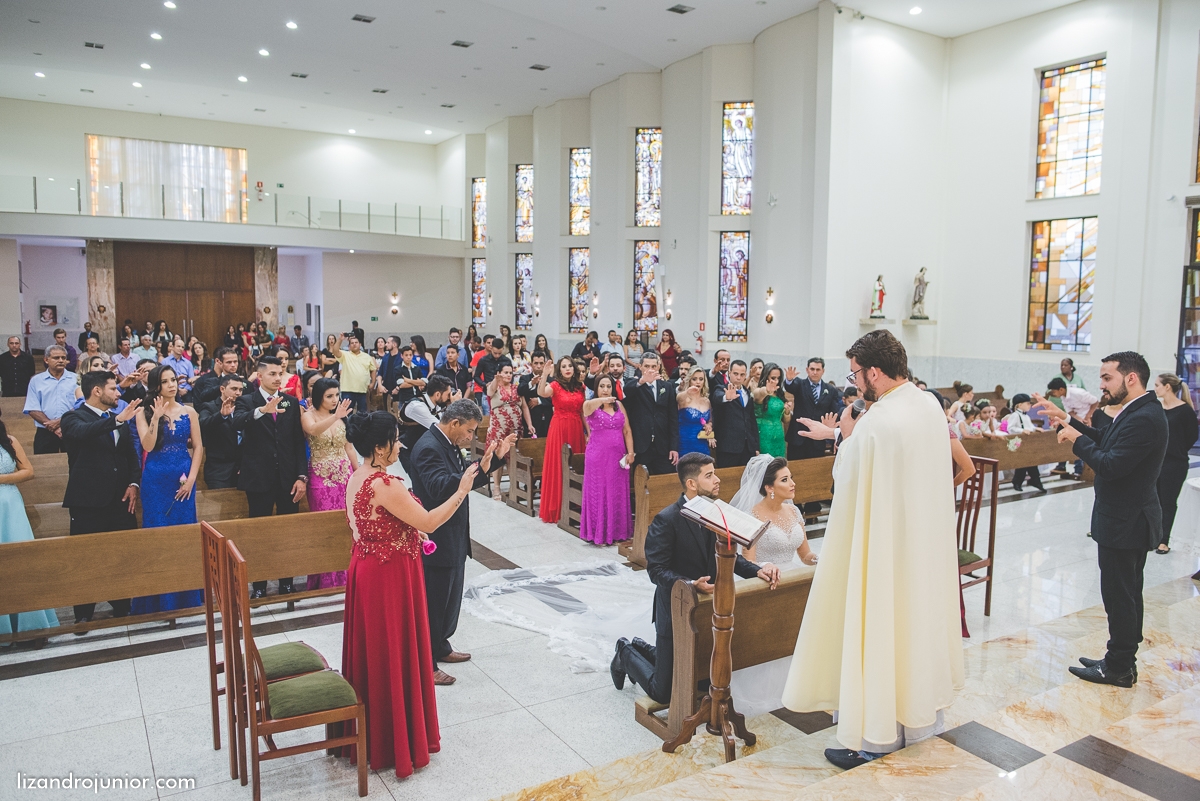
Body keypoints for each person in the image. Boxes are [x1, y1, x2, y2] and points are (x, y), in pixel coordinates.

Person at [783, 329, 963, 770]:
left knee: (880, 626)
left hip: (885, 547)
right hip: (918, 543)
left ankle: (875, 738)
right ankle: (917, 719)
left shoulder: (879, 421)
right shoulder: (926, 404)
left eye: (856, 373)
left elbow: (847, 481)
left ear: (875, 372)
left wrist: (843, 438)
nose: (855, 381)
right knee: (912, 628)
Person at [340, 412, 476, 777]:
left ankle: (374, 731)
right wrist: (461, 490)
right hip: (390, 576)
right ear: (380, 447)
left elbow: (363, 528)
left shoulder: (358, 477)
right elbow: (430, 521)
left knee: (376, 652)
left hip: (367, 568)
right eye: (396, 440)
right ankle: (394, 740)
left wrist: (404, 534)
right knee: (394, 651)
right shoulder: (386, 484)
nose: (400, 445)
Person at [1033, 352, 1168, 688]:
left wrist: (1075, 441)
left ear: (1131, 378)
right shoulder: (1138, 411)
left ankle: (1119, 667)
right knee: (1125, 592)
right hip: (1125, 518)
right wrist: (1069, 421)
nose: (1101, 384)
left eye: (1107, 377)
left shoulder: (1145, 418)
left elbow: (1109, 464)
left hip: (1126, 522)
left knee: (1120, 595)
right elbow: (1109, 442)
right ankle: (1119, 658)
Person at [610, 453, 779, 703]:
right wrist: (690, 585)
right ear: (691, 483)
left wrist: (757, 570)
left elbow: (729, 556)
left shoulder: (716, 513)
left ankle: (646, 648)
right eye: (709, 476)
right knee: (663, 692)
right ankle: (625, 652)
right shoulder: (667, 520)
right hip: (675, 608)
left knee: (700, 678)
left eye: (715, 473)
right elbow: (656, 570)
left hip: (708, 608)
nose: (717, 480)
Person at [409, 400, 513, 685]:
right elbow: (439, 487)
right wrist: (474, 471)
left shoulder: (447, 442)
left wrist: (493, 462)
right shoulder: (429, 447)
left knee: (449, 600)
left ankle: (441, 647)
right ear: (454, 423)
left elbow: (462, 477)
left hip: (453, 532)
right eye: (469, 430)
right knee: (434, 603)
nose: (471, 436)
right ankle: (426, 664)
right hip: (437, 534)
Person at [60, 372, 144, 629]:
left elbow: (130, 454)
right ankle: (84, 612)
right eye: (113, 389)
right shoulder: (72, 417)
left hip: (120, 499)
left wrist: (133, 483)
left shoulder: (115, 418)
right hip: (88, 500)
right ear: (96, 391)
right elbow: (84, 433)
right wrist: (118, 419)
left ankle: (121, 604)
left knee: (122, 554)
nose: (119, 393)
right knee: (86, 558)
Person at [130, 366, 205, 614]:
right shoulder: (143, 411)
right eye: (165, 381)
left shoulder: (189, 411)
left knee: (184, 535)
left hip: (183, 477)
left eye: (173, 380)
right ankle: (158, 600)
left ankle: (187, 598)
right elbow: (148, 446)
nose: (172, 385)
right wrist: (155, 418)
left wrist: (192, 478)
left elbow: (199, 448)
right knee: (158, 535)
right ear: (156, 386)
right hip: (155, 480)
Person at [233, 356, 308, 598]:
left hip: (287, 478)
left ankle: (287, 582)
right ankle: (259, 585)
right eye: (273, 374)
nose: (278, 378)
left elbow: (298, 441)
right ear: (260, 375)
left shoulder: (290, 401)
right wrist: (261, 411)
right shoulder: (247, 401)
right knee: (260, 535)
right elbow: (236, 422)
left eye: (280, 373)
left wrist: (301, 476)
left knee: (287, 533)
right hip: (258, 479)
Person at [0, 410, 58, 643]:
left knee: (22, 561)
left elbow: (28, 471)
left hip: (10, 504)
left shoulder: (9, 440)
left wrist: (2, 479)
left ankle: (32, 627)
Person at [302, 378, 356, 589]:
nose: (335, 400)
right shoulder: (308, 415)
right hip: (320, 477)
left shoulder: (342, 417)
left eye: (336, 395)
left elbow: (349, 447)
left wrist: (358, 474)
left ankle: (346, 576)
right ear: (319, 397)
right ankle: (324, 580)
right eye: (329, 396)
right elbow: (313, 430)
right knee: (324, 529)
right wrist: (336, 416)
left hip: (344, 475)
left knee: (346, 525)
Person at [732, 455, 817, 567]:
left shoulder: (794, 511)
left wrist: (819, 558)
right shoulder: (752, 517)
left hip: (792, 575)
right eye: (784, 480)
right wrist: (765, 566)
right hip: (766, 578)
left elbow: (805, 555)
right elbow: (749, 562)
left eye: (791, 477)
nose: (792, 483)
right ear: (769, 488)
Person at [580, 375, 635, 545]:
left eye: (609, 386)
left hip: (618, 456)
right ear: (596, 389)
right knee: (600, 491)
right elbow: (587, 407)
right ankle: (599, 534)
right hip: (597, 457)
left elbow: (627, 430)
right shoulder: (590, 405)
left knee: (617, 491)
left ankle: (618, 532)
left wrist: (631, 452)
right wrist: (602, 399)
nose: (606, 389)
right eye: (602, 386)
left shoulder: (619, 405)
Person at [1151, 374, 1197, 554]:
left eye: (1157, 385)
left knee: (1168, 501)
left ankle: (1164, 540)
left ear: (1167, 387)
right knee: (1153, 500)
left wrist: (1175, 449)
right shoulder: (1156, 407)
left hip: (1175, 463)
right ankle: (1152, 537)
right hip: (1155, 461)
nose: (1155, 388)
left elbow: (1191, 437)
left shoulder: (1185, 411)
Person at [537, 357, 587, 523]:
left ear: (574, 369)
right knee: (559, 465)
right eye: (563, 366)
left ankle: (575, 506)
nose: (567, 369)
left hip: (576, 427)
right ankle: (557, 507)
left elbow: (583, 412)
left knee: (577, 465)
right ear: (559, 370)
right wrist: (545, 374)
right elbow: (541, 393)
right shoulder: (555, 386)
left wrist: (589, 432)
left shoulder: (580, 387)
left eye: (569, 366)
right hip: (559, 428)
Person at [621, 352, 679, 475]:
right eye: (647, 366)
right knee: (641, 482)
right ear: (640, 367)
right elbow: (626, 390)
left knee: (664, 482)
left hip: (662, 445)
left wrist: (674, 447)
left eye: (653, 366)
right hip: (641, 445)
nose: (650, 370)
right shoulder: (635, 385)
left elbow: (673, 418)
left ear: (658, 367)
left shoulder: (667, 387)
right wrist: (642, 381)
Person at [784, 358, 842, 462]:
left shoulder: (830, 389)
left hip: (818, 439)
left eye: (818, 369)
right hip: (798, 437)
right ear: (807, 370)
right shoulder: (800, 384)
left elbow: (833, 412)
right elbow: (791, 387)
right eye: (812, 369)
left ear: (823, 371)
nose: (815, 372)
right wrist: (789, 380)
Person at [24, 345, 75, 454]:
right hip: (45, 431)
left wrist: (60, 422)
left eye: (63, 358)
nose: (61, 361)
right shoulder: (36, 381)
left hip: (71, 429)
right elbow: (32, 408)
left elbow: (81, 406)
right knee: (43, 464)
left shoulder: (76, 379)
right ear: (46, 360)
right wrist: (53, 427)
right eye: (56, 358)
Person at [198, 373, 244, 489]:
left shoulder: (243, 408)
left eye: (240, 389)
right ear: (222, 389)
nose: (238, 393)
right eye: (234, 389)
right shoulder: (209, 407)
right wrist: (221, 416)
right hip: (219, 471)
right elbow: (202, 424)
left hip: (242, 469)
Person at [710, 359, 758, 468]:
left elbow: (751, 421)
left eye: (742, 374)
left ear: (745, 375)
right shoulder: (721, 389)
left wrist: (755, 446)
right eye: (735, 374)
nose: (738, 377)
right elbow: (717, 398)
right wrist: (726, 398)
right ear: (729, 373)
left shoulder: (747, 392)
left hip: (747, 447)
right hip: (728, 447)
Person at [485, 364, 522, 500]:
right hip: (498, 428)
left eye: (510, 373)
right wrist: (496, 380)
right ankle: (496, 488)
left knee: (512, 457)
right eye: (505, 372)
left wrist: (529, 424)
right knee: (498, 457)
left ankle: (513, 487)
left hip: (515, 428)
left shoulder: (516, 388)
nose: (508, 375)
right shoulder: (494, 386)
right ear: (499, 373)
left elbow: (523, 406)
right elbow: (489, 392)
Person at [1004, 394, 1047, 492]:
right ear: (1019, 405)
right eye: (1027, 404)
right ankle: (1020, 481)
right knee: (1023, 463)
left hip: (1028, 443)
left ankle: (1033, 481)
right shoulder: (1015, 416)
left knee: (1030, 462)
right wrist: (1021, 431)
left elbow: (1029, 427)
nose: (1029, 406)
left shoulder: (1025, 416)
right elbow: (1010, 428)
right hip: (1020, 442)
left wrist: (1035, 429)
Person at [752, 363, 792, 458]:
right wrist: (766, 391)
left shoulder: (779, 394)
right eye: (773, 378)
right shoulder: (760, 391)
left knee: (779, 464)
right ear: (766, 377)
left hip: (778, 434)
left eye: (778, 378)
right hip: (764, 434)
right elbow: (757, 395)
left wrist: (787, 411)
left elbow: (785, 420)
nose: (776, 381)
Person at [676, 366, 714, 457]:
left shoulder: (706, 401)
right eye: (694, 379)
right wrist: (687, 392)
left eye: (701, 379)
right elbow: (678, 398)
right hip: (685, 442)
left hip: (702, 442)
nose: (698, 382)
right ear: (689, 380)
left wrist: (709, 426)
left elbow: (710, 420)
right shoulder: (683, 398)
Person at [335, 333, 378, 412]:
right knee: (346, 413)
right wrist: (340, 339)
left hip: (362, 390)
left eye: (356, 342)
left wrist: (373, 382)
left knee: (362, 413)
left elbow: (373, 369)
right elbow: (335, 351)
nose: (354, 344)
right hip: (347, 390)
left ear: (360, 344)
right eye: (352, 343)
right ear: (349, 346)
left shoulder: (367, 357)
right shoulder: (345, 355)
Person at [518, 352, 553, 438]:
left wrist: (540, 401)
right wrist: (531, 383)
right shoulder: (525, 378)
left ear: (544, 364)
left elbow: (556, 397)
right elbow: (520, 391)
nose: (538, 366)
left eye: (541, 363)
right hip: (531, 418)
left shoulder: (551, 380)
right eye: (536, 363)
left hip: (548, 418)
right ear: (531, 364)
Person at [473, 337, 512, 406]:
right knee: (487, 416)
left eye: (499, 353)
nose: (497, 355)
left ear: (503, 349)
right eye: (495, 353)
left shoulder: (507, 361)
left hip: (503, 393)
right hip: (487, 393)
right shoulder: (483, 360)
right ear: (491, 348)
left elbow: (511, 376)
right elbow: (476, 376)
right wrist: (484, 384)